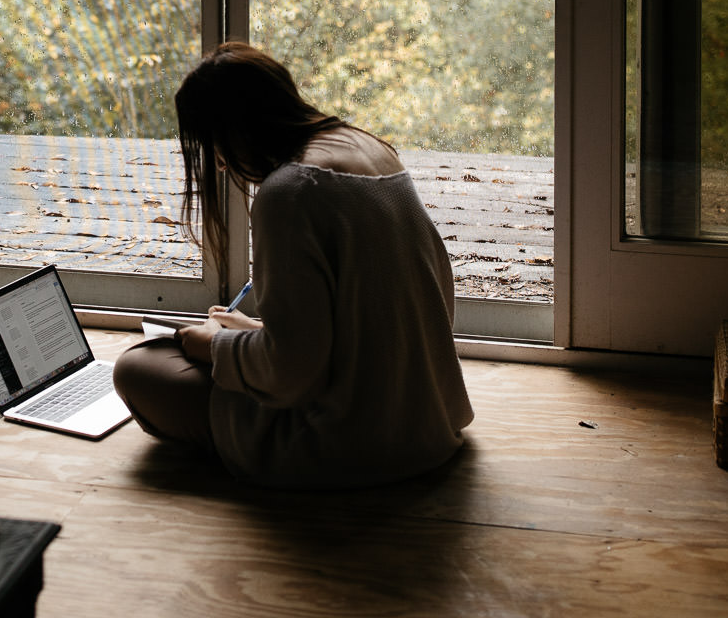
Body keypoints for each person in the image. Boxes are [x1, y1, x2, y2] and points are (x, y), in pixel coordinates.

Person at [111, 41, 473, 487]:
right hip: (426, 415)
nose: (221, 166)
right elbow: (366, 323)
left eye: (215, 146)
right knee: (196, 350)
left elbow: (292, 376)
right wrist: (251, 332)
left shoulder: (292, 191)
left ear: (234, 128)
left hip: (354, 441)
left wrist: (209, 347)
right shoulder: (372, 148)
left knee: (137, 370)